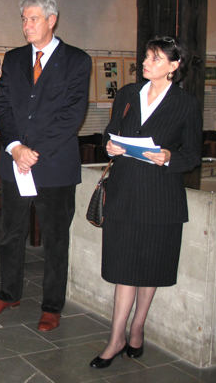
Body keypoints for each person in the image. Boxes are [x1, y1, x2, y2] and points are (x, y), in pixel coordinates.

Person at [89, 36, 202, 368]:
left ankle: (137, 327)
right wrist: (110, 146)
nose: (146, 63)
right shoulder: (127, 94)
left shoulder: (186, 103)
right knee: (124, 269)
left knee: (150, 267)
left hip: (160, 196)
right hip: (124, 192)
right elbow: (110, 132)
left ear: (174, 65)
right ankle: (116, 338)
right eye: (147, 57)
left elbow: (192, 154)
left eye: (155, 58)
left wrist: (168, 156)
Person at [0, 0, 91, 332]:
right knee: (10, 234)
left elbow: (72, 115)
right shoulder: (14, 59)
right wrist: (15, 147)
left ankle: (52, 306)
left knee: (55, 239)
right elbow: (3, 105)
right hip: (16, 163)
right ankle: (9, 293)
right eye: (24, 19)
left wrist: (34, 151)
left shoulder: (76, 60)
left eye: (33, 19)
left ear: (51, 20)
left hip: (54, 165)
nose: (26, 25)